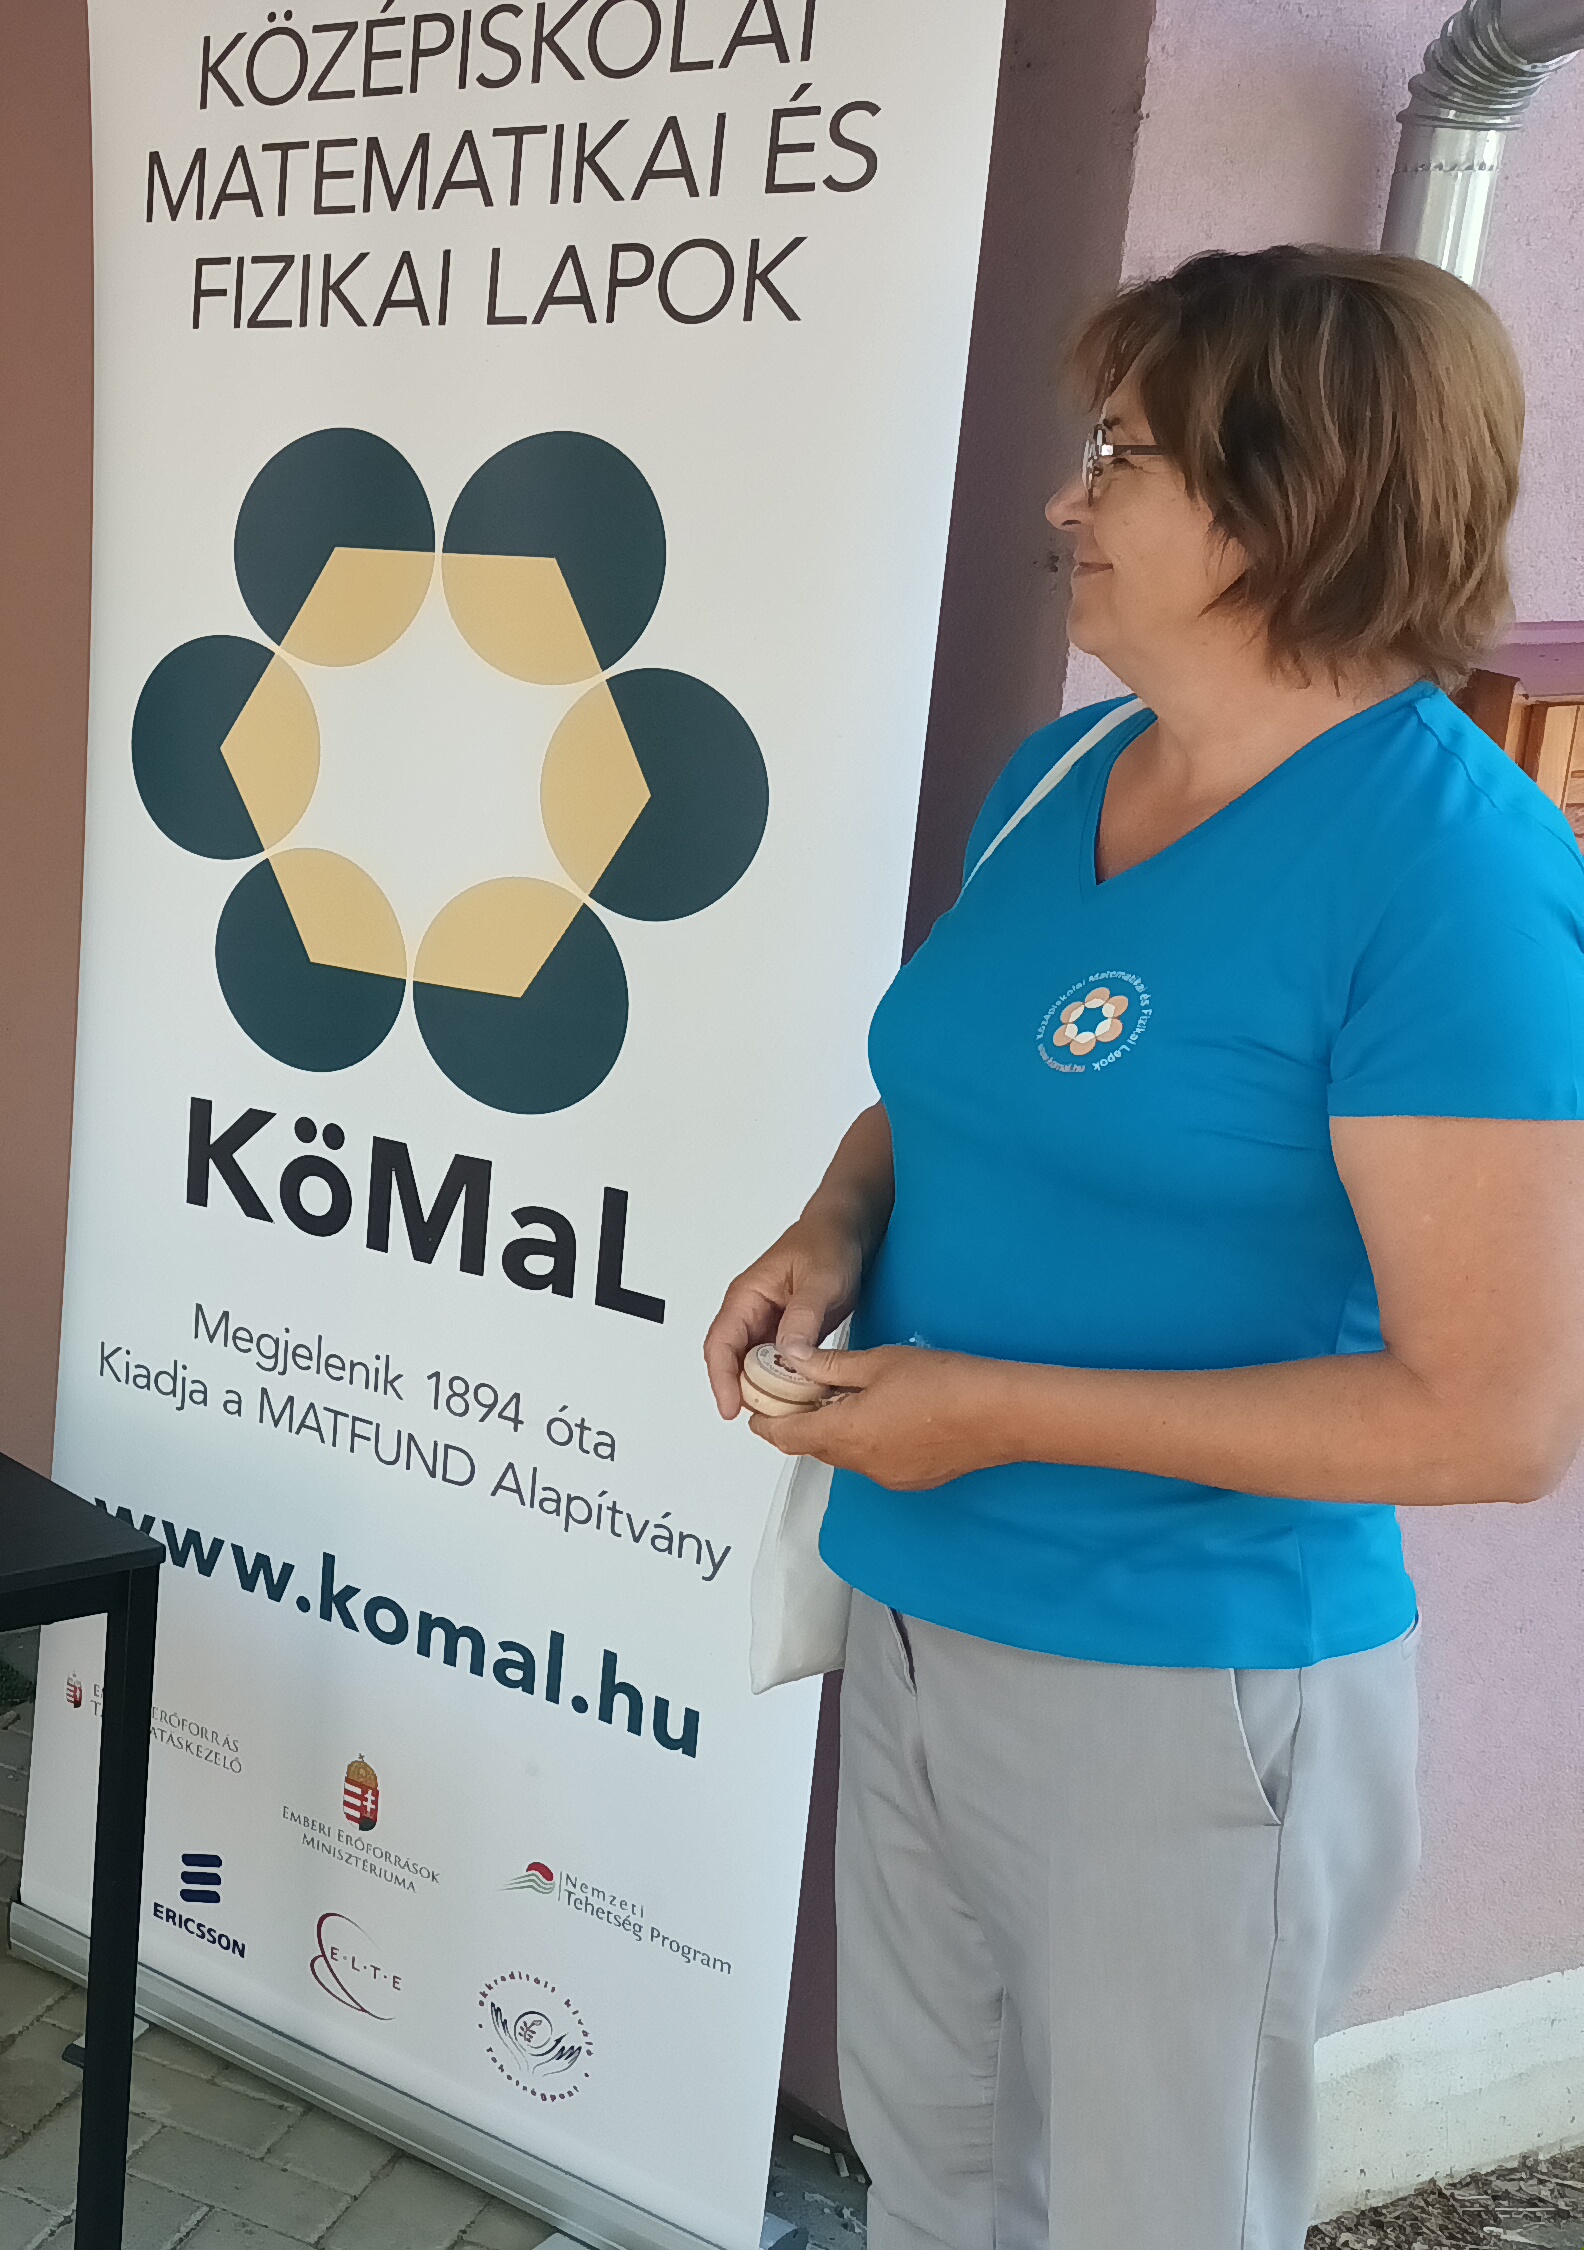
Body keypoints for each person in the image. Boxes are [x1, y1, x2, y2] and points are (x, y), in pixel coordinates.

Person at [704, 246, 1584, 2248]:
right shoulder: (1062, 777)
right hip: (917, 1605)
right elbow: (948, 1093)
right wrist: (832, 1224)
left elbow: (1495, 1418)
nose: (1063, 499)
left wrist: (993, 1409)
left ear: (1291, 497)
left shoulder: (1446, 874)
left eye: (1117, 455)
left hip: (1187, 1683)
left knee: (1149, 2216)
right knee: (937, 2183)